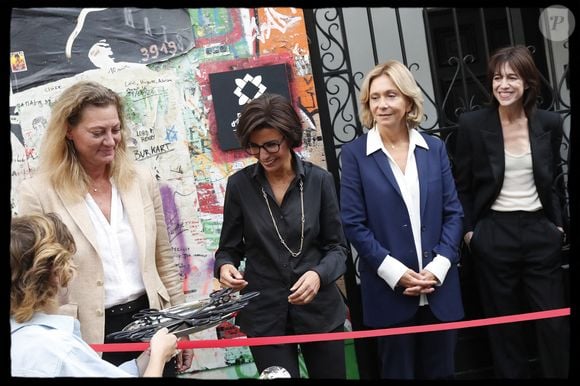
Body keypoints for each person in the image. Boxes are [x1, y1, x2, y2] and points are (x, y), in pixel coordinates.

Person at [16, 80, 193, 375]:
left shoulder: (141, 179)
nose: (110, 141)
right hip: (84, 335)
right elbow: (34, 278)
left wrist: (182, 325)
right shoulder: (38, 193)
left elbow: (163, 258)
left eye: (115, 129)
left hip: (153, 322)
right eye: (97, 132)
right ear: (69, 132)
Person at [339, 60, 464, 379]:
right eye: (374, 97)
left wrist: (438, 268)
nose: (382, 104)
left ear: (408, 100)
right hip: (388, 292)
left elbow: (453, 213)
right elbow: (353, 223)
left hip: (440, 289)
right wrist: (396, 272)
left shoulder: (433, 148)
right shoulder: (355, 155)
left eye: (391, 95)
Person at [454, 45, 569, 378]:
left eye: (512, 78)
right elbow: (462, 185)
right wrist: (471, 232)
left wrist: (557, 226)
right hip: (494, 232)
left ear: (528, 83)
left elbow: (555, 181)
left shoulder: (548, 122)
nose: (503, 85)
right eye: (497, 78)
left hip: (539, 231)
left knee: (553, 325)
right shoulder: (473, 125)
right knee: (505, 330)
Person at [214, 93, 348, 379]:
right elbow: (228, 250)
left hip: (320, 313)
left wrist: (318, 275)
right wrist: (226, 267)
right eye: (254, 147)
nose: (264, 155)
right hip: (265, 315)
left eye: (271, 144)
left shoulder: (319, 181)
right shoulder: (239, 187)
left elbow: (338, 249)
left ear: (289, 138)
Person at [10, 213, 178, 377]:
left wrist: (148, 357)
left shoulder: (26, 339)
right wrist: (159, 357)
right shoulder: (59, 350)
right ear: (55, 273)